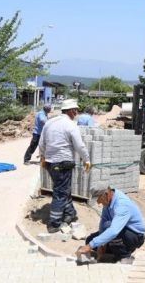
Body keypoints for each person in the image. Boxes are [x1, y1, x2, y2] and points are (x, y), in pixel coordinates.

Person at [39, 99, 91, 233]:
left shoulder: (49, 122)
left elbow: (41, 143)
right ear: (71, 111)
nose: (77, 113)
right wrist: (86, 159)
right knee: (60, 193)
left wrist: (43, 157)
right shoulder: (70, 124)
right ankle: (54, 224)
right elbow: (79, 145)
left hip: (50, 163)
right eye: (76, 110)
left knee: (62, 188)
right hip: (63, 163)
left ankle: (70, 213)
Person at [75, 183, 145, 264]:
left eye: (99, 199)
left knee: (109, 233)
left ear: (106, 194)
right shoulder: (108, 201)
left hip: (134, 236)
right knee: (90, 240)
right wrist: (101, 245)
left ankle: (124, 257)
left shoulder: (122, 205)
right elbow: (103, 222)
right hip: (121, 231)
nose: (98, 203)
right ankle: (115, 250)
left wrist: (90, 246)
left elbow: (114, 231)